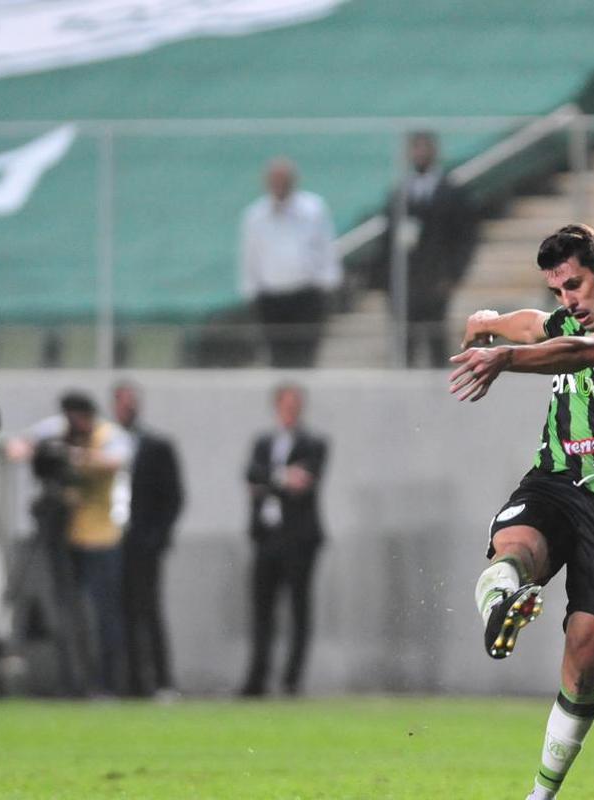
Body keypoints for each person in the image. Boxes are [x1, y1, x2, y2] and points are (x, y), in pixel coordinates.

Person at [450, 224, 594, 800]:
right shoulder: (565, 320)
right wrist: (490, 321)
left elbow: (584, 352)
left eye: (574, 285)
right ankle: (502, 602)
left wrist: (504, 355)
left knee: (589, 647)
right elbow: (535, 324)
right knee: (516, 548)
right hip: (554, 482)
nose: (567, 300)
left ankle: (542, 794)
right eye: (557, 291)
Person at [8, 392, 133, 697]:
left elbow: (116, 461)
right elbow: (16, 448)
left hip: (102, 536)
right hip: (67, 533)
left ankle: (108, 683)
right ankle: (73, 682)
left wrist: (74, 456)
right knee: (67, 611)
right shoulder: (57, 430)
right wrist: (42, 451)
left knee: (104, 614)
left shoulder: (109, 435)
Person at [239, 383, 328, 697]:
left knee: (298, 609)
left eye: (295, 405)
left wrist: (268, 481)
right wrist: (282, 477)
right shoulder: (263, 442)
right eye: (286, 404)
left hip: (299, 539)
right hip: (267, 536)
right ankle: (257, 678)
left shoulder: (313, 443)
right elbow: (251, 475)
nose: (291, 410)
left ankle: (291, 680)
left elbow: (304, 483)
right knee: (262, 610)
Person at [380, 131, 478, 367]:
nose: (420, 154)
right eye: (416, 148)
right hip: (408, 279)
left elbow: (465, 236)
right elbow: (388, 239)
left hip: (437, 276)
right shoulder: (400, 192)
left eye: (425, 148)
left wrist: (453, 273)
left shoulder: (451, 192)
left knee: (436, 338)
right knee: (406, 341)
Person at [112, 382, 184, 699]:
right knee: (120, 613)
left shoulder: (156, 446)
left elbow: (174, 497)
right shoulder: (105, 443)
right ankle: (131, 682)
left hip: (144, 542)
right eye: (122, 402)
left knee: (149, 610)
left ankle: (162, 680)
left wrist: (157, 537)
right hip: (110, 541)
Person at [239, 157, 342, 368]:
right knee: (277, 356)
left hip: (306, 293)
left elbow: (326, 246)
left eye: (283, 179)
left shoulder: (313, 208)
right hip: (270, 296)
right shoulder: (255, 215)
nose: (279, 185)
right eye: (275, 180)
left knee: (305, 355)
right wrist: (250, 289)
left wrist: (328, 281)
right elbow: (250, 254)